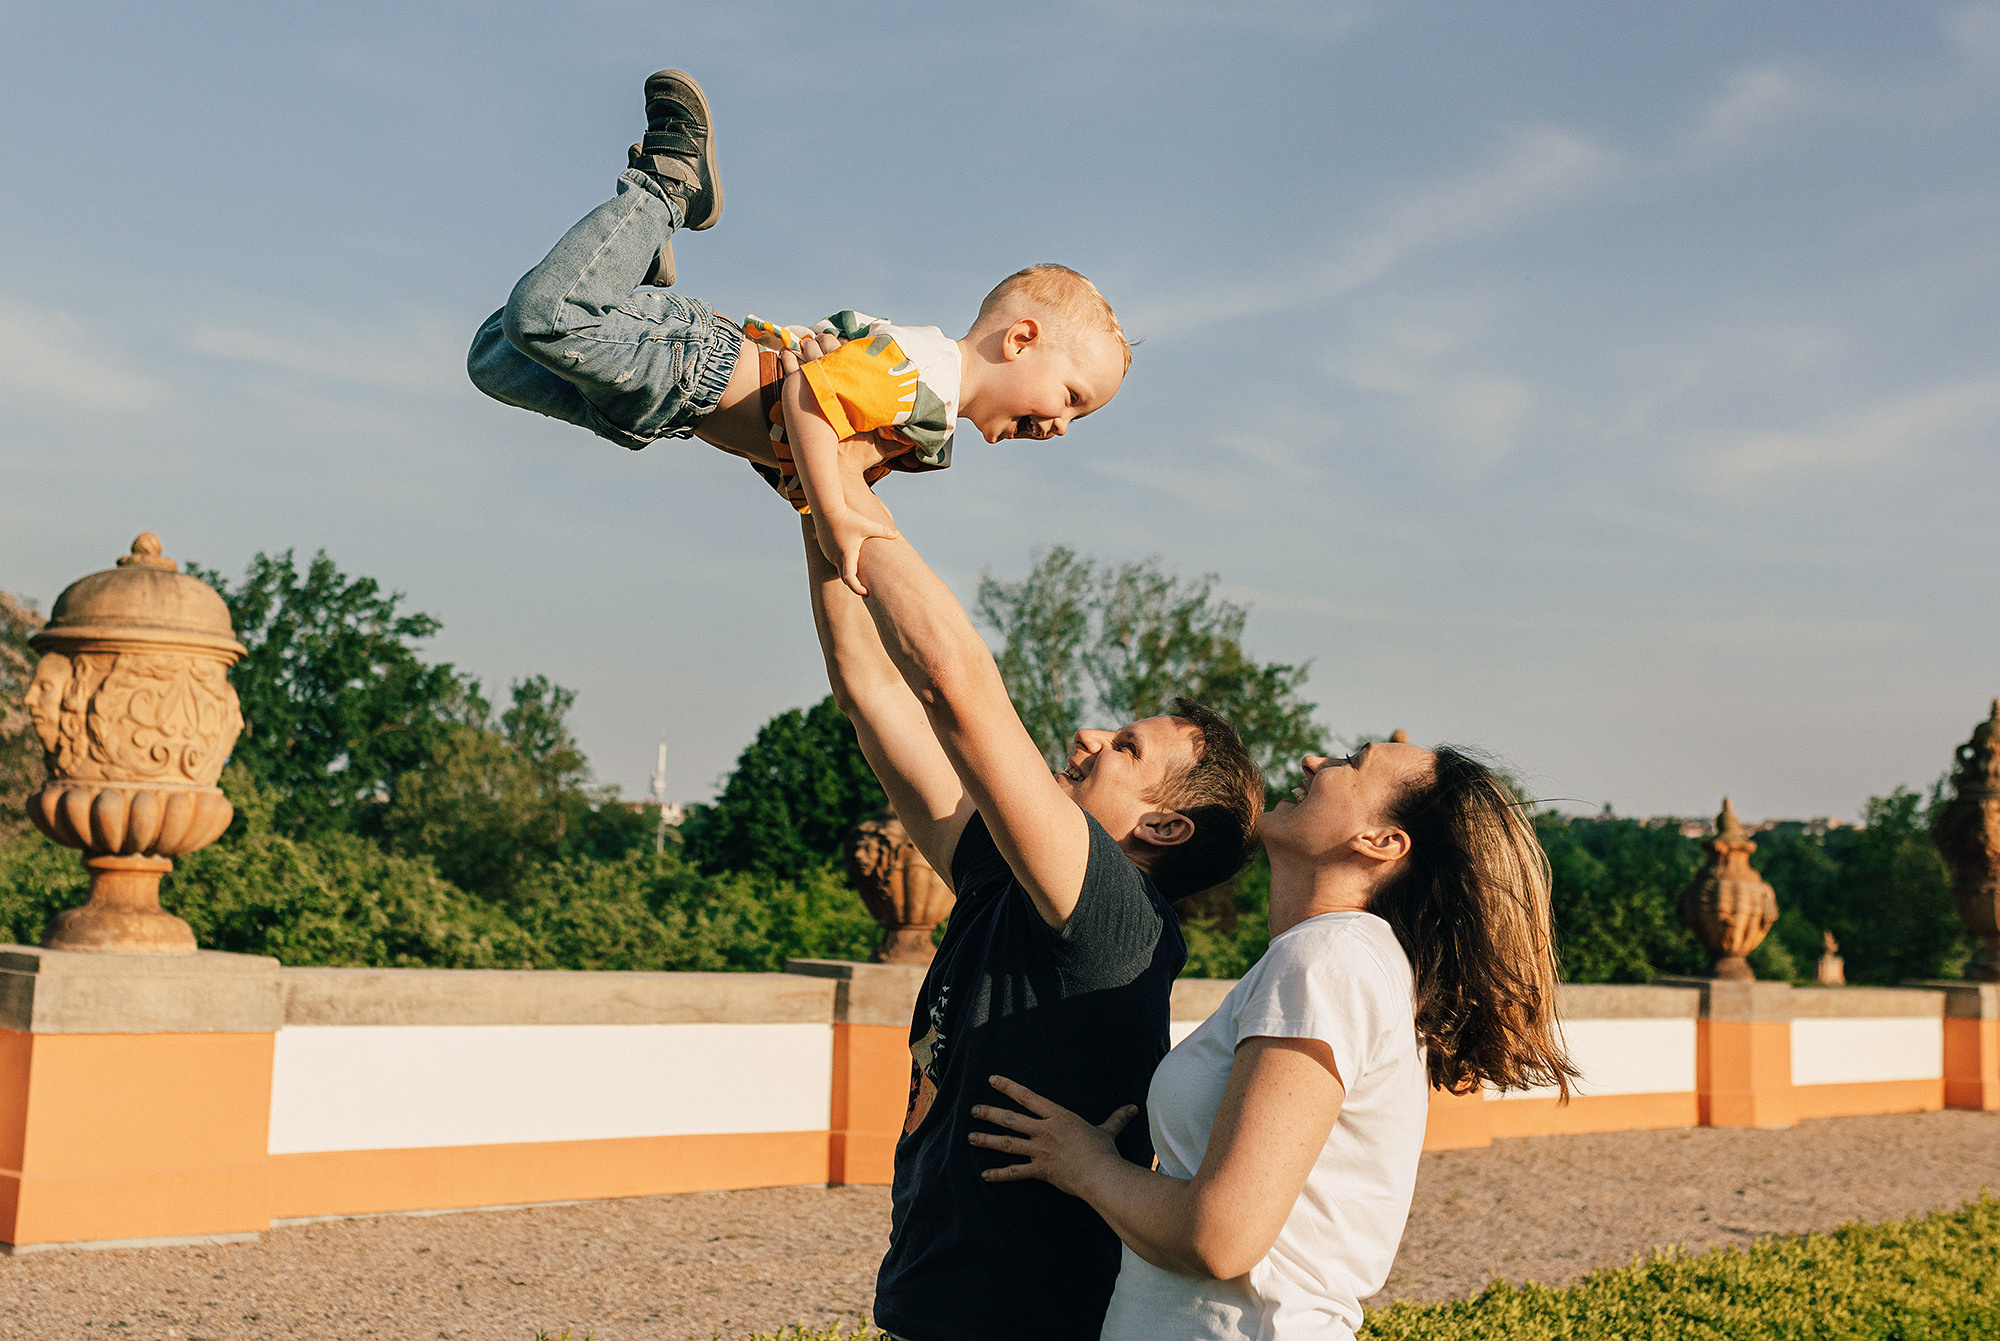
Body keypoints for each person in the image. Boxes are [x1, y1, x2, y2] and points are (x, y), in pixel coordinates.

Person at [787, 415, 1265, 1341]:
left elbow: (955, 687)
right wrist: (813, 491)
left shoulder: (1118, 916)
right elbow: (872, 687)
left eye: (1124, 748)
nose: (1089, 734)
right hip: (930, 1307)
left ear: (1160, 826)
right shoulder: (1006, 879)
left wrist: (847, 484)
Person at [966, 742, 1579, 1341]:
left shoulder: (1329, 958)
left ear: (1382, 842)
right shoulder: (1338, 958)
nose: (1316, 761)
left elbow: (1219, 1237)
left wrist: (1086, 1165)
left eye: (1352, 764)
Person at [467, 68, 1132, 592]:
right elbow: (808, 400)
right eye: (1072, 397)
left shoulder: (926, 423)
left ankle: (630, 257)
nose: (1061, 427)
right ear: (1020, 340)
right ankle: (667, 187)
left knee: (494, 357)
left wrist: (821, 491)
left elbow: (797, 449)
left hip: (671, 405)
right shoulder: (924, 374)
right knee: (543, 320)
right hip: (693, 365)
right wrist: (835, 512)